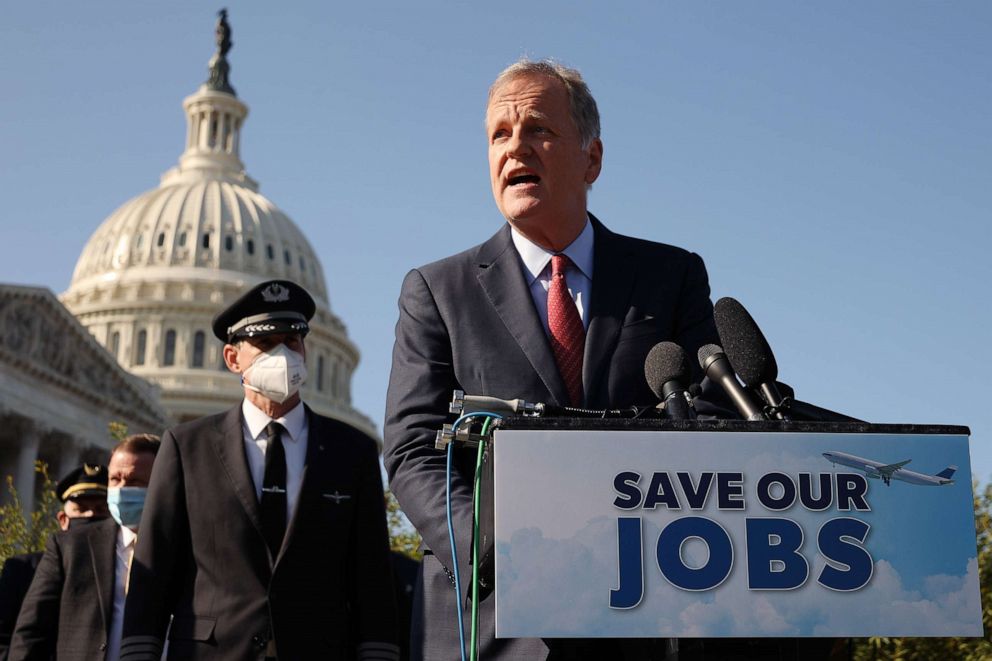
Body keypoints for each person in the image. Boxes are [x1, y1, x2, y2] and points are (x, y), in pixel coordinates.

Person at [384, 59, 722, 660]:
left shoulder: (670, 277)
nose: (515, 147)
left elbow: (708, 423)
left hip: (640, 615)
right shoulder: (437, 290)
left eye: (537, 128)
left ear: (591, 159)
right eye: (499, 134)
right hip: (493, 624)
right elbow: (412, 450)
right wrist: (505, 553)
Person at [120, 280, 399, 661]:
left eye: (292, 342)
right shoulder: (188, 448)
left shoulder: (351, 452)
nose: (283, 355)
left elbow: (371, 575)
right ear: (233, 359)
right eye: (266, 345)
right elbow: (158, 566)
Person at [8, 436, 160, 661]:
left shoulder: (195, 550)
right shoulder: (71, 547)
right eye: (115, 479)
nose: (121, 489)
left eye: (135, 481)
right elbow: (31, 635)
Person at [0, 463, 110, 660]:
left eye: (100, 510)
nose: (90, 515)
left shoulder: (122, 572)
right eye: (81, 509)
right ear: (63, 520)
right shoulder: (22, 570)